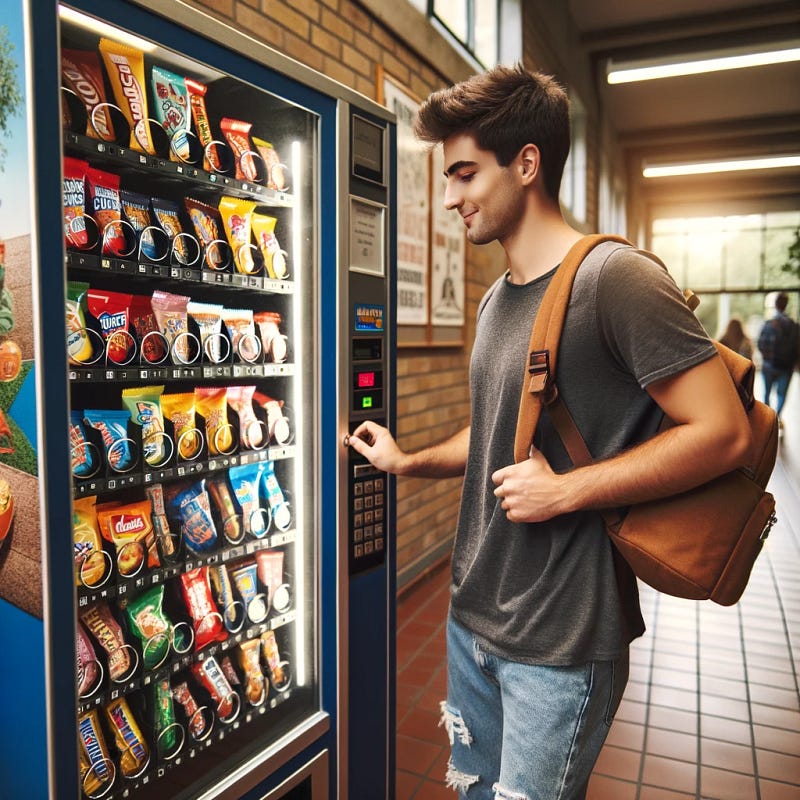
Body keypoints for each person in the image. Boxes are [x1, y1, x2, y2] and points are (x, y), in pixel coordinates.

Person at [347, 64, 751, 799]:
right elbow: (503, 433)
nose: (448, 198)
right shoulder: (498, 299)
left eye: (465, 174)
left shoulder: (614, 279)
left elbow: (722, 432)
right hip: (473, 625)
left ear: (527, 163)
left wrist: (566, 491)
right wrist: (408, 463)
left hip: (560, 644)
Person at [758, 291, 799, 427]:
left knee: (767, 393)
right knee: (781, 394)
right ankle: (777, 417)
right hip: (786, 367)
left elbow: (760, 344)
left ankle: (767, 419)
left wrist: (767, 358)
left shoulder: (769, 323)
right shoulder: (794, 326)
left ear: (775, 305)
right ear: (786, 305)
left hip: (769, 366)